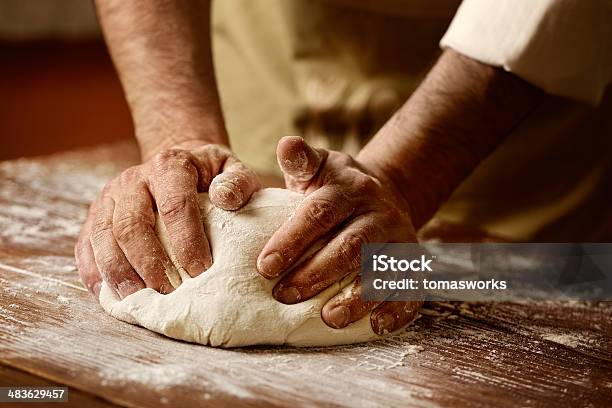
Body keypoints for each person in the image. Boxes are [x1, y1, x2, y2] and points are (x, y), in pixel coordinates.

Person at [75, 0, 612, 335]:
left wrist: (404, 177)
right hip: (269, 64)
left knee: (550, 312)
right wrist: (181, 134)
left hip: (509, 142)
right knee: (232, 220)